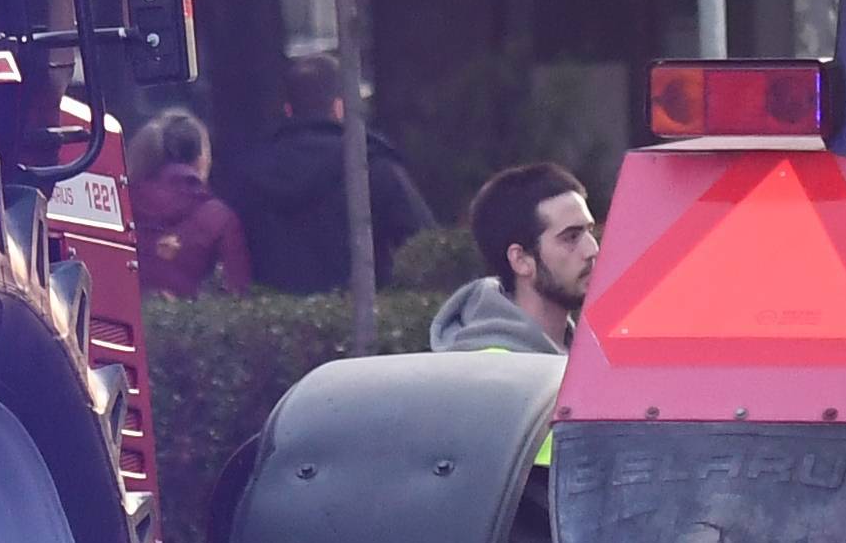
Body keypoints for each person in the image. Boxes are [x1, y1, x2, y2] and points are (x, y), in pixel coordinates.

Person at [223, 60, 432, 303]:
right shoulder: (373, 167)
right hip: (357, 323)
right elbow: (425, 244)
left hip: (273, 326)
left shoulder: (250, 175)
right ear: (339, 107)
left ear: (288, 110)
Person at [431, 163, 598, 356]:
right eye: (571, 237)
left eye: (589, 231)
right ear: (520, 260)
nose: (593, 249)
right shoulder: (490, 372)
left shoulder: (587, 355)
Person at [125, 107, 251, 300]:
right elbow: (235, 293)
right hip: (190, 329)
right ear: (200, 157)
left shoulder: (121, 204)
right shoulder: (218, 218)